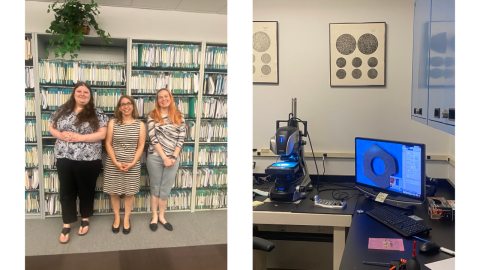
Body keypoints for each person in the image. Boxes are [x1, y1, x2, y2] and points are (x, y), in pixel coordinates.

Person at [48, 82, 108, 244]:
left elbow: (102, 134)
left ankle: (85, 218)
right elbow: (51, 127)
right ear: (74, 94)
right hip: (64, 157)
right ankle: (67, 223)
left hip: (89, 159)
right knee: (66, 191)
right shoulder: (62, 110)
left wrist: (79, 138)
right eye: (79, 91)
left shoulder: (98, 113)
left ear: (90, 95)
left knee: (86, 190)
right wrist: (60, 136)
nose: (82, 94)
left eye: (86, 92)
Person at [103, 95, 145, 234]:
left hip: (132, 163)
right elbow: (107, 143)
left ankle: (126, 218)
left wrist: (132, 163)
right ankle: (117, 217)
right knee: (114, 192)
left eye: (128, 103)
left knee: (130, 192)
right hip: (114, 163)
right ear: (119, 108)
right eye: (123, 104)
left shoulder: (140, 125)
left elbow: (141, 146)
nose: (126, 106)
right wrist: (116, 162)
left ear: (133, 106)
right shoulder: (113, 122)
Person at [146, 88, 186, 231]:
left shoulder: (179, 116)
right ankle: (154, 216)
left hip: (173, 159)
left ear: (170, 97)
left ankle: (162, 216)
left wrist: (173, 157)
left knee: (165, 188)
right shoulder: (152, 115)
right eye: (160, 97)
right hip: (155, 157)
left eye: (166, 96)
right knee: (155, 187)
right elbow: (152, 137)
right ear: (157, 101)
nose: (163, 99)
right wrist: (164, 157)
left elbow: (181, 138)